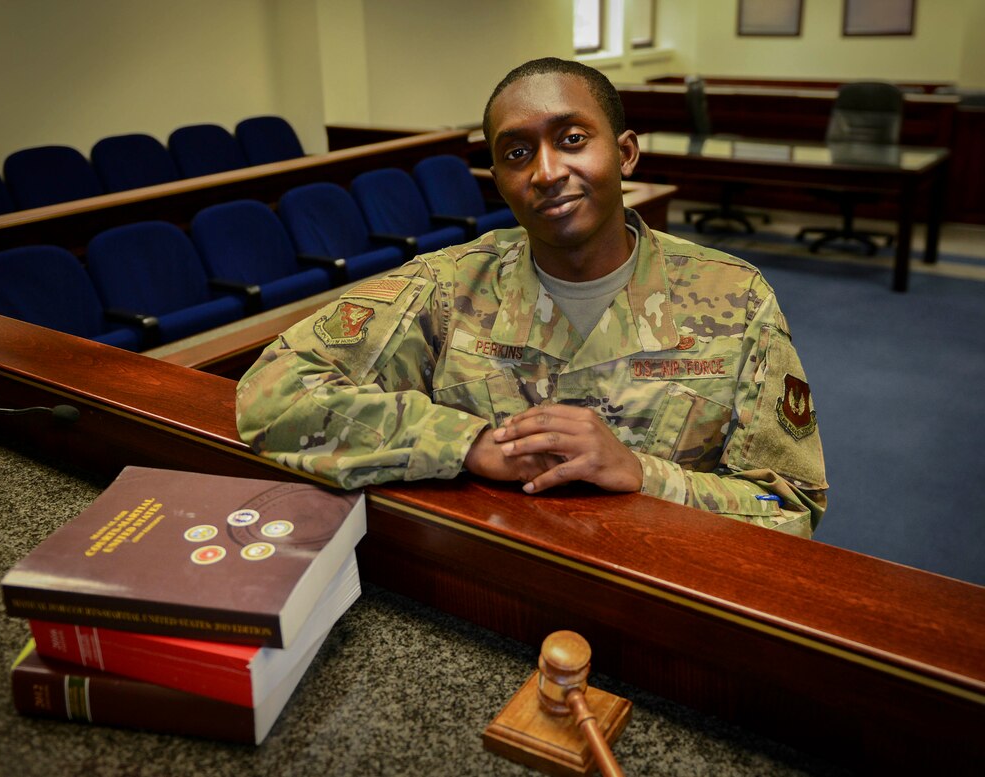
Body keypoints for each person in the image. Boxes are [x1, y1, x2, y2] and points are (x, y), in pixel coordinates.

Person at [236, 57, 827, 537]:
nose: (546, 172)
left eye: (572, 139)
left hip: (663, 606)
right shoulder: (447, 287)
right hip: (491, 592)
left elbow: (789, 507)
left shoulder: (736, 295)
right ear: (497, 177)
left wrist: (641, 474)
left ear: (624, 154)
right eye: (517, 153)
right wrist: (465, 443)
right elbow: (273, 392)